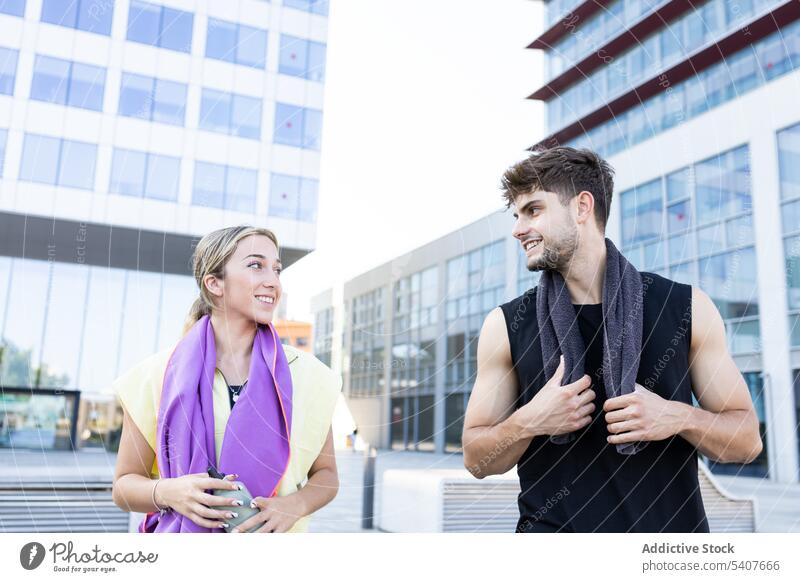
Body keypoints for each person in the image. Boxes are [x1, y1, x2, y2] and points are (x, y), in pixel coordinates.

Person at [462, 146, 763, 533]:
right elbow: (476, 458)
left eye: (533, 210)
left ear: (582, 207)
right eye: (517, 215)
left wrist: (676, 416)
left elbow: (747, 442)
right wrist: (530, 420)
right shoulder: (504, 325)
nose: (518, 228)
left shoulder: (687, 308)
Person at [111, 225, 341, 533]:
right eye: (256, 265)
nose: (272, 281)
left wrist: (294, 506)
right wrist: (168, 492)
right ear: (215, 283)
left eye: (276, 269)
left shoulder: (310, 375)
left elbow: (326, 476)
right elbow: (124, 486)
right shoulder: (155, 375)